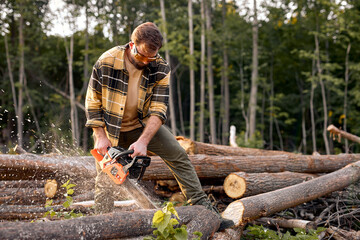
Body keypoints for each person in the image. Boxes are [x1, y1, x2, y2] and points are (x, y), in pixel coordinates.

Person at [85, 22, 234, 231]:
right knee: (105, 178)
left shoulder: (161, 67)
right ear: (131, 45)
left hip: (142, 125)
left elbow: (158, 110)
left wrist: (143, 141)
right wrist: (99, 135)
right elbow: (93, 102)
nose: (146, 61)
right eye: (142, 56)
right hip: (110, 128)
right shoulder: (107, 61)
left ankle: (206, 210)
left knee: (179, 155)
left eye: (151, 57)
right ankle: (101, 224)